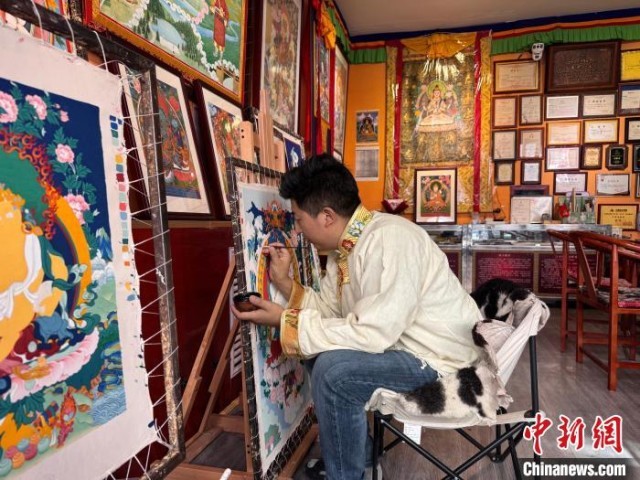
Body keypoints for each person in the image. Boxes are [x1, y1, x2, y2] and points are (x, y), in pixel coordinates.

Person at [231, 154, 483, 480]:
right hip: (404, 345)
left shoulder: (390, 239)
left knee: (334, 373)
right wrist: (284, 284)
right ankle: (360, 460)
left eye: (299, 219)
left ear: (326, 216)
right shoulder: (347, 247)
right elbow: (330, 312)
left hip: (442, 359)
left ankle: (347, 475)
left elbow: (372, 333)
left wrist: (285, 320)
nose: (298, 230)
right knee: (320, 352)